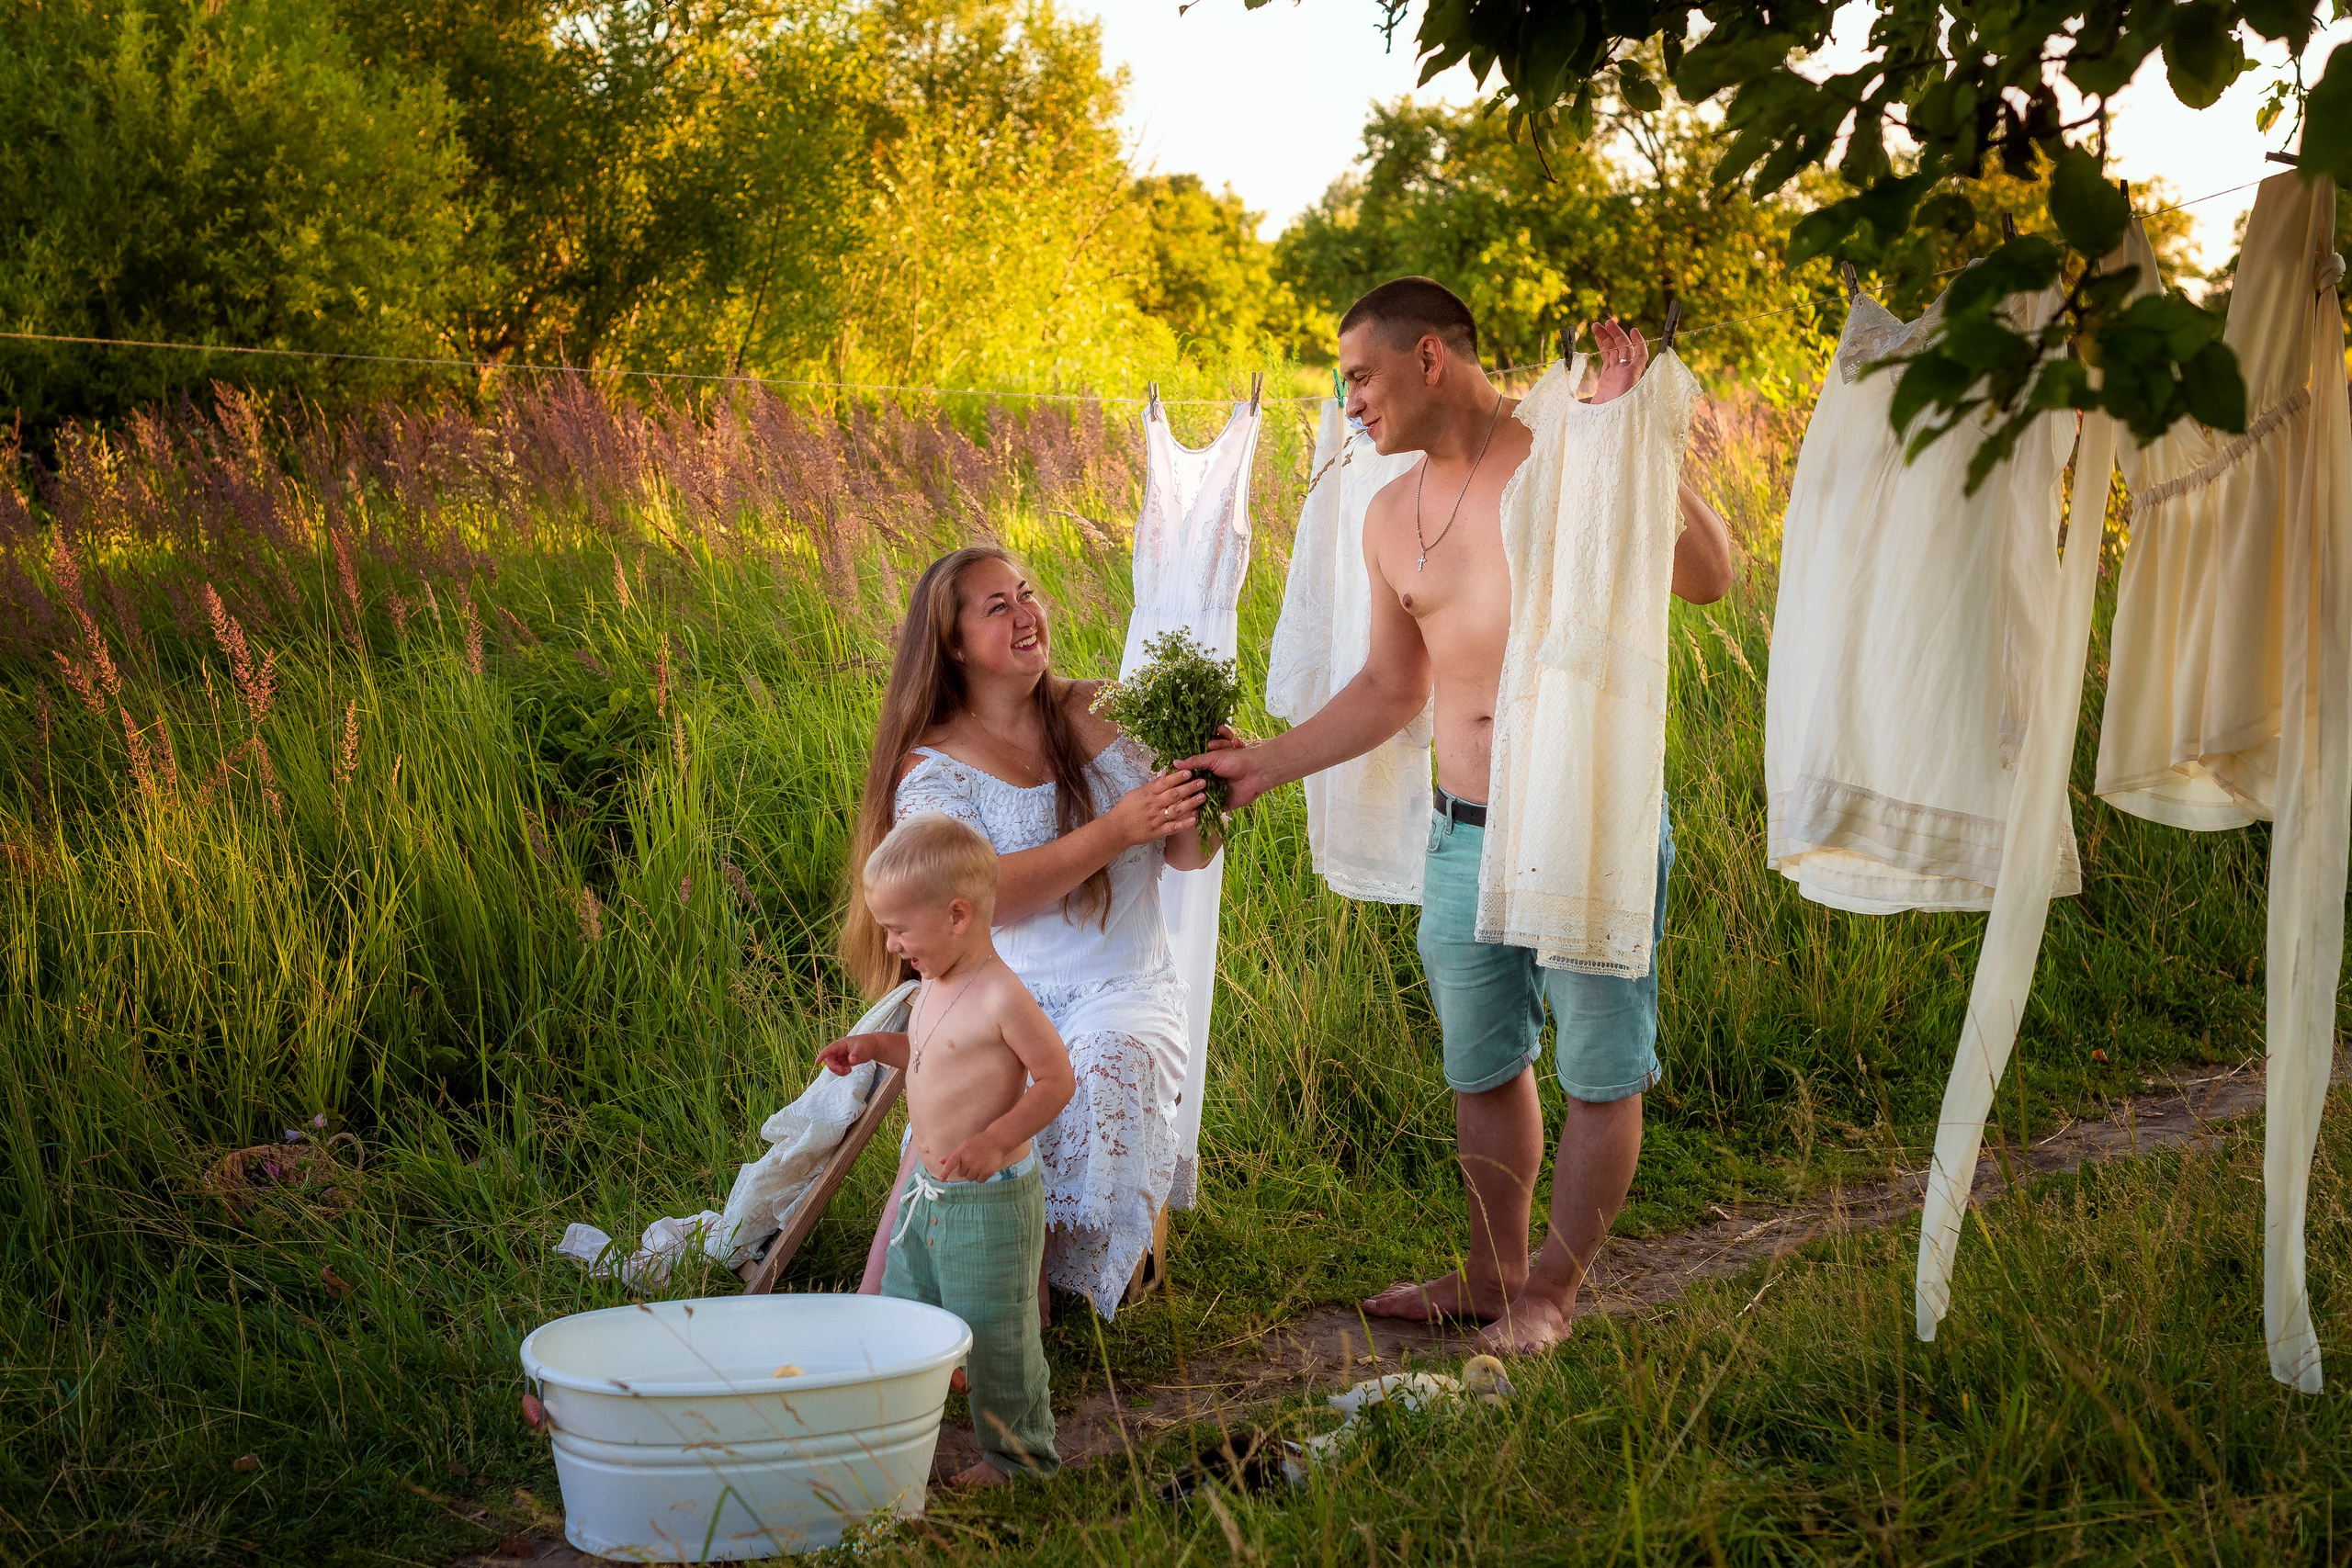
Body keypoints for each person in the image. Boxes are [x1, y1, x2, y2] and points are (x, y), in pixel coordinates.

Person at [1186, 276, 1736, 1355]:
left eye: (1359, 377)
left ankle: (1549, 1299)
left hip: (1583, 822)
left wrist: (1631, 442)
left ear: (1429, 359)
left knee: (1598, 1068)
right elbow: (1393, 690)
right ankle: (1492, 1274)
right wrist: (1264, 765)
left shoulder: (1566, 449)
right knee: (1481, 1066)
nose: (1349, 403)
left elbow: (1711, 579)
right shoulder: (1387, 515)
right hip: (1460, 830)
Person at [833, 545, 1216, 1321]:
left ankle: (1021, 1287)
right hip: (1003, 990)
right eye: (996, 606)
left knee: (1102, 1061)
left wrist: (1211, 786)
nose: (1025, 614)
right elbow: (977, 897)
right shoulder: (933, 766)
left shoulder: (1113, 707)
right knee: (982, 1081)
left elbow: (1186, 851)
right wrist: (1113, 830)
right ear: (951, 643)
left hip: (1124, 984)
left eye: (1027, 593)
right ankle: (960, 1296)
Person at [819, 812, 1075, 1485]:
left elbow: (1057, 1078)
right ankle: (899, 1425)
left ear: (958, 914)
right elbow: (937, 1057)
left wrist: (998, 1139)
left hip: (989, 1199)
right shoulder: (934, 983)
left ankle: (1018, 1457)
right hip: (927, 1192)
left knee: (997, 1331)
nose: (893, 943)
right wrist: (876, 1047)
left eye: (901, 928)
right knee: (904, 1308)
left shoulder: (1001, 994)